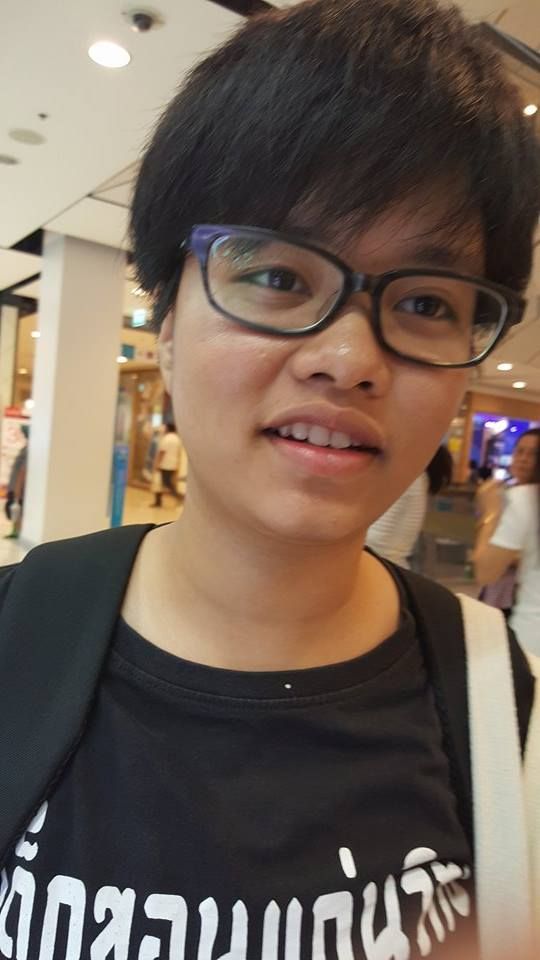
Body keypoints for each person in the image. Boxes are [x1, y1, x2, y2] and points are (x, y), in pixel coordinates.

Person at [0, 2, 539, 958]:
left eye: (424, 302)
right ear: (167, 322)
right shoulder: (14, 634)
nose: (349, 359)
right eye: (280, 278)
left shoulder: (496, 697)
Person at [474, 428, 540, 653]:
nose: (524, 459)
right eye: (519, 451)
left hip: (531, 633)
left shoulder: (522, 499)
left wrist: (491, 513)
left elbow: (485, 571)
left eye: (534, 454)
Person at [366, 445, 453, 568]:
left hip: (381, 562)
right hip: (389, 562)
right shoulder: (417, 478)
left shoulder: (408, 478)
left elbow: (378, 537)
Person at [150, 422, 183, 507]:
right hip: (173, 464)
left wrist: (157, 464)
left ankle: (178, 496)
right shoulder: (177, 439)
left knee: (165, 482)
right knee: (161, 483)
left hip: (164, 464)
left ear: (167, 429)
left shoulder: (166, 438)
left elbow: (162, 452)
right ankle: (158, 502)